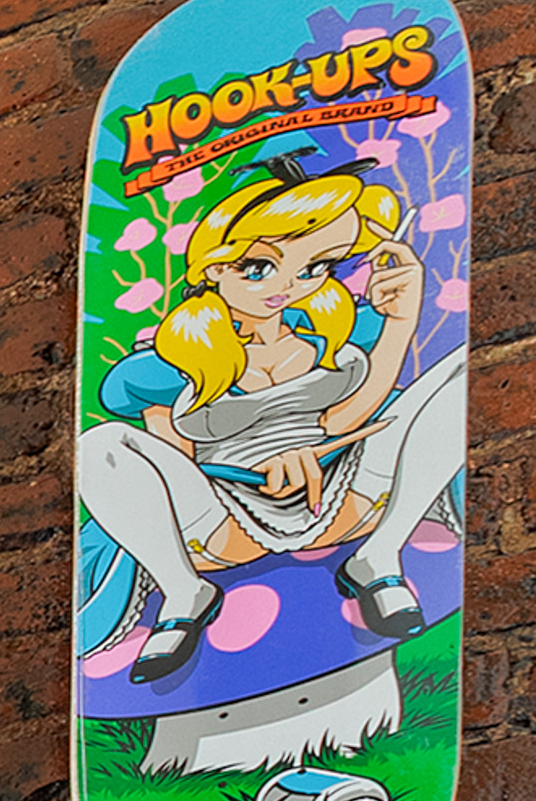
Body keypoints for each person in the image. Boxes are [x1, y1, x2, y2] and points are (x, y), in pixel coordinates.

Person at [75, 148, 468, 677]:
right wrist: (256, 474)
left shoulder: (331, 338)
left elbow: (347, 419)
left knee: (456, 371)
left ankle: (380, 555)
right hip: (224, 520)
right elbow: (176, 464)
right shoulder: (172, 363)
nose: (285, 286)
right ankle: (183, 593)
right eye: (258, 267)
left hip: (345, 491)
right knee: (100, 446)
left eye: (315, 267)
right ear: (215, 267)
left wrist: (401, 319)